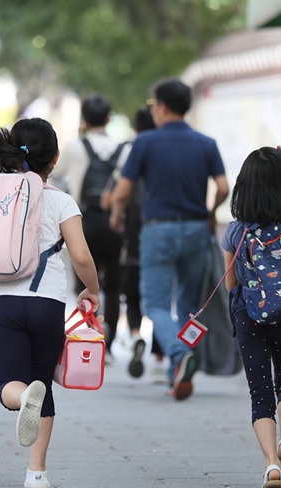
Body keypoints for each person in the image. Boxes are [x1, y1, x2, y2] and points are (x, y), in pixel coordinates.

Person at [0, 118, 100, 488]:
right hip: (47, 303)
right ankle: (36, 473)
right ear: (55, 158)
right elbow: (81, 255)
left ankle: (23, 396)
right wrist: (93, 290)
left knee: (6, 386)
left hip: (4, 301)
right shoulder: (60, 200)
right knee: (45, 385)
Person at [110, 78, 229, 401]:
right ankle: (179, 371)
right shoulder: (206, 143)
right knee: (189, 305)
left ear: (161, 107)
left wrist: (116, 214)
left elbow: (122, 190)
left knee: (156, 304)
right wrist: (210, 211)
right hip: (195, 230)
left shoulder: (146, 142)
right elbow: (223, 187)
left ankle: (178, 355)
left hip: (158, 229)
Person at [221, 146, 281, 488]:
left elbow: (230, 283)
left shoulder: (235, 231)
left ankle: (270, 466)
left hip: (249, 315)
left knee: (259, 393)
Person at [53, 94, 129, 360]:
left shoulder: (74, 147)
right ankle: (109, 343)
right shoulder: (124, 149)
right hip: (115, 224)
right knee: (113, 284)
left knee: (86, 281)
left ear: (83, 120)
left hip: (82, 223)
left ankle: (92, 331)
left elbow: (54, 174)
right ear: (109, 118)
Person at [109, 105, 165, 380]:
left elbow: (118, 192)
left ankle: (134, 335)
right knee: (159, 294)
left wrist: (116, 215)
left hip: (133, 233)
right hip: (159, 228)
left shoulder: (133, 149)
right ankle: (158, 351)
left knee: (131, 292)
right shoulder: (165, 149)